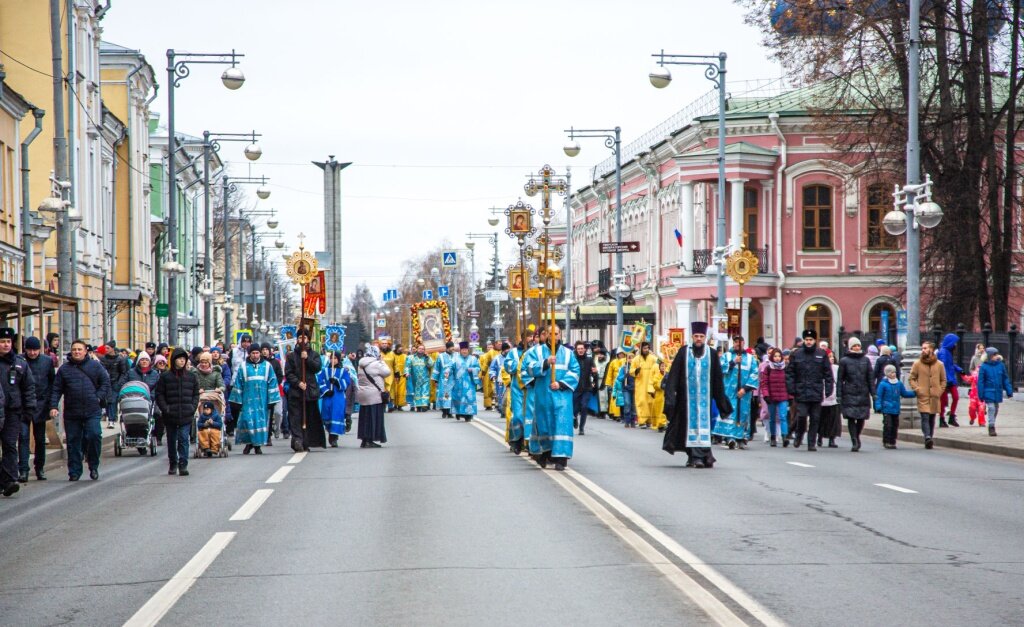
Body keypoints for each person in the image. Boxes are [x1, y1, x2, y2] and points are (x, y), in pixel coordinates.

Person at [662, 321, 733, 469]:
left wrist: (722, 403)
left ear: (705, 337)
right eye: (696, 336)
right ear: (692, 337)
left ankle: (701, 456)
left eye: (701, 336)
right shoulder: (683, 352)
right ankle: (695, 457)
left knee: (704, 428)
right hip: (686, 400)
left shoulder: (712, 354)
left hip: (706, 400)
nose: (699, 339)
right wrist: (670, 398)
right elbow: (674, 376)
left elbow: (718, 380)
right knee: (688, 428)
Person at [50, 339, 110, 482]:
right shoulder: (64, 369)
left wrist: (98, 397)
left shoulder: (95, 366)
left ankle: (93, 465)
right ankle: (75, 471)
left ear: (85, 351)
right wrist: (53, 406)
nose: (76, 352)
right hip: (72, 411)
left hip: (92, 410)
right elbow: (56, 389)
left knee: (94, 435)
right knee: (73, 442)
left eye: (79, 349)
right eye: (74, 349)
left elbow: (105, 383)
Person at [521, 326, 579, 471]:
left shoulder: (568, 353)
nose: (554, 336)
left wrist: (560, 383)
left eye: (557, 333)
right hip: (543, 395)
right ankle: (546, 453)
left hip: (562, 396)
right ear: (545, 335)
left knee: (562, 424)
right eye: (551, 333)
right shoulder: (536, 351)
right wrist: (545, 363)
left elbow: (575, 371)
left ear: (560, 335)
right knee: (544, 423)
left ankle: (561, 458)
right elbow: (528, 368)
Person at [785, 329, 835, 451]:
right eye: (806, 340)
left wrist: (829, 388)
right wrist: (791, 388)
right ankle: (799, 435)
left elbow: (828, 373)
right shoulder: (796, 354)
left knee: (815, 418)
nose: (808, 342)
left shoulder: (821, 354)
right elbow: (790, 373)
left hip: (816, 391)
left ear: (814, 340)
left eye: (810, 340)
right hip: (801, 391)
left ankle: (811, 443)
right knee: (801, 416)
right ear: (803, 340)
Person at [0, 328, 34, 495]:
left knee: (9, 445)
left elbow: (28, 387)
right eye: (2, 342)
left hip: (13, 411)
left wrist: (29, 409)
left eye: (7, 342)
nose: (5, 345)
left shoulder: (19, 363)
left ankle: (10, 480)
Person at [156, 348, 200, 476]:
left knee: (183, 439)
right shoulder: (165, 377)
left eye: (184, 359)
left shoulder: (191, 376)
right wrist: (166, 408)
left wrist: (192, 407)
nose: (182, 361)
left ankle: (183, 464)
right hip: (170, 414)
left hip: (186, 413)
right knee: (171, 440)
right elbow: (160, 394)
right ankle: (173, 463)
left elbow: (195, 394)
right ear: (174, 360)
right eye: (179, 358)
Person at [230, 343, 281, 454]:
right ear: (249, 354)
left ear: (260, 353)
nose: (255, 355)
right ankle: (249, 444)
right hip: (247, 399)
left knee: (260, 423)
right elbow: (238, 383)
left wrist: (272, 400)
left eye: (257, 352)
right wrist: (237, 401)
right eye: (253, 353)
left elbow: (273, 382)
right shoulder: (243, 366)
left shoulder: (267, 366)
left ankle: (257, 446)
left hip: (262, 400)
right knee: (247, 421)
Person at [714, 336, 759, 449]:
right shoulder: (727, 356)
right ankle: (730, 438)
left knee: (742, 413)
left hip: (744, 393)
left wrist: (745, 389)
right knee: (731, 413)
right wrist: (733, 362)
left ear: (744, 343)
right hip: (729, 392)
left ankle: (741, 437)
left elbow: (754, 374)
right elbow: (719, 369)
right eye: (735, 342)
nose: (738, 344)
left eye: (740, 342)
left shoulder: (750, 359)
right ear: (733, 343)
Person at [19, 337, 54, 482]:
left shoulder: (46, 361)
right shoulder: (20, 360)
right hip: (23, 405)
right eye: (29, 350)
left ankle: (39, 467)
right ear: (25, 349)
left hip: (41, 404)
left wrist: (50, 403)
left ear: (40, 349)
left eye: (35, 350)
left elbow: (52, 382)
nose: (32, 353)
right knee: (23, 438)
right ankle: (23, 470)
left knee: (40, 439)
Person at [285, 328, 324, 452]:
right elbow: (289, 373)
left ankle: (306, 441)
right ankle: (297, 440)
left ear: (308, 339)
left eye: (305, 338)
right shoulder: (291, 356)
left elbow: (317, 368)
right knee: (295, 417)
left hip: (309, 392)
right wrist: (298, 383)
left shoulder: (314, 354)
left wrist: (307, 359)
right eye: (300, 338)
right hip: (296, 393)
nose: (302, 340)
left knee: (308, 418)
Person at [836, 337, 873, 452]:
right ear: (850, 347)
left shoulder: (866, 360)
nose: (857, 348)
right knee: (851, 418)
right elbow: (840, 379)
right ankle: (854, 440)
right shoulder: (844, 361)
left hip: (863, 392)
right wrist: (839, 394)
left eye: (858, 345)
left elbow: (870, 378)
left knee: (861, 418)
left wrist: (874, 393)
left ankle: (857, 435)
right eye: (854, 346)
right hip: (849, 392)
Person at [909, 341, 945, 449]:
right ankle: (927, 437)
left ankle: (930, 437)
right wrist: (917, 389)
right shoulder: (917, 364)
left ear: (931, 349)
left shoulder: (939, 364)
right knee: (925, 416)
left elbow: (943, 380)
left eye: (925, 348)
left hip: (934, 395)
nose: (923, 350)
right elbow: (912, 378)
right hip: (923, 395)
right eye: (922, 348)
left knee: (932, 418)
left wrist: (939, 391)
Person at [356, 345, 391, 448]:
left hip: (363, 393)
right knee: (373, 417)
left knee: (364, 417)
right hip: (374, 395)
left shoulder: (361, 363)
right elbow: (387, 372)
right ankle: (369, 440)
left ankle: (364, 439)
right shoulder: (376, 364)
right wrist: (382, 361)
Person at [875, 364, 915, 448]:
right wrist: (878, 406)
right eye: (892, 372)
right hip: (887, 408)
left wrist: (915, 393)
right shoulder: (883, 384)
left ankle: (893, 441)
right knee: (888, 425)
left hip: (896, 408)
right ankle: (886, 441)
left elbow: (904, 393)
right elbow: (879, 396)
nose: (894, 374)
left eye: (895, 372)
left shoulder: (898, 383)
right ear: (887, 373)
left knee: (895, 425)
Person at [504, 333, 532, 454]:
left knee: (530, 418)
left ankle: (529, 443)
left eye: (532, 337)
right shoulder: (513, 352)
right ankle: (516, 440)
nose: (530, 339)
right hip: (517, 389)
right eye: (528, 336)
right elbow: (508, 366)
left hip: (531, 388)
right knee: (518, 416)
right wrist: (521, 363)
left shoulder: (535, 351)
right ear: (523, 338)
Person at [976, 346, 1013, 437]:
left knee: (996, 409)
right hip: (988, 391)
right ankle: (991, 426)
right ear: (989, 356)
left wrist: (1009, 391)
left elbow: (1005, 379)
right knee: (991, 408)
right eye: (994, 355)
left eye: (996, 354)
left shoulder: (1000, 365)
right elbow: (980, 382)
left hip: (997, 391)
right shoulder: (984, 367)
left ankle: (992, 422)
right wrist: (980, 394)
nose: (996, 356)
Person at [317, 351, 351, 447]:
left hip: (338, 397)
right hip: (328, 396)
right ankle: (329, 431)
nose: (333, 360)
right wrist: (326, 390)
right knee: (327, 415)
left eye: (335, 358)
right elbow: (320, 381)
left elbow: (347, 382)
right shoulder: (324, 370)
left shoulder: (343, 371)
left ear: (338, 359)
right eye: (331, 358)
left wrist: (337, 382)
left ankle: (334, 437)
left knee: (336, 415)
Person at [759, 348, 789, 447]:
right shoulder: (768, 368)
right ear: (772, 357)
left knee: (783, 416)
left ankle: (785, 437)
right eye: (775, 356)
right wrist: (766, 395)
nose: (777, 358)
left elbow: (789, 382)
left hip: (783, 396)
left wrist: (791, 396)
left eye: (779, 356)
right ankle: (773, 437)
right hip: (771, 397)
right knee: (772, 418)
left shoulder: (785, 368)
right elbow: (764, 383)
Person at [99, 340, 128, 429]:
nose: (106, 349)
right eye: (105, 348)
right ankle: (111, 416)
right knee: (107, 401)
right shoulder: (103, 359)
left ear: (112, 348)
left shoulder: (120, 359)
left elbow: (123, 372)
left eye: (108, 348)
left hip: (115, 383)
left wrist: (119, 383)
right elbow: (101, 371)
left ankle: (111, 420)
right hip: (106, 383)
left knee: (112, 401)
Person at [260, 343, 285, 445]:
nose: (265, 351)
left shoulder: (275, 362)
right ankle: (268, 435)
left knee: (278, 412)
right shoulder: (260, 363)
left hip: (275, 391)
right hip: (262, 391)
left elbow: (280, 375)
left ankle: (277, 428)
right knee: (267, 414)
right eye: (263, 349)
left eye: (266, 349)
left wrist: (274, 384)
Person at [936, 333, 962, 427]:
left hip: (950, 379)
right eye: (954, 343)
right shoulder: (943, 352)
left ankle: (951, 416)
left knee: (955, 397)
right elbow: (942, 365)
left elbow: (950, 365)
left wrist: (959, 370)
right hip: (945, 380)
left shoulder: (948, 352)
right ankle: (942, 418)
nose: (955, 345)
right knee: (944, 400)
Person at [631, 342, 659, 430]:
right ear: (641, 349)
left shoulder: (653, 358)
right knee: (641, 402)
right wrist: (636, 370)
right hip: (640, 384)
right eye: (644, 348)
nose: (646, 350)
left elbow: (659, 366)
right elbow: (631, 371)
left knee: (650, 402)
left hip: (650, 383)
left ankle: (649, 421)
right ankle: (642, 421)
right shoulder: (636, 359)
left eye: (647, 348)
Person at [450, 342, 480, 421]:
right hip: (458, 383)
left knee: (469, 398)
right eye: (463, 350)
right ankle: (459, 412)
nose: (464, 351)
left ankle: (468, 415)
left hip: (469, 383)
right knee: (458, 398)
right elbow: (450, 368)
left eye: (466, 350)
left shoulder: (473, 359)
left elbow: (478, 368)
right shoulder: (455, 359)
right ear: (460, 350)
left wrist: (473, 369)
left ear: (468, 350)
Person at [572, 341, 596, 435]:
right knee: (575, 409)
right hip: (576, 388)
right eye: (579, 349)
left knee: (584, 406)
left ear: (585, 349)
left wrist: (594, 375)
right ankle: (574, 418)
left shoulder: (589, 360)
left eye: (582, 349)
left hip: (587, 387)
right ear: (576, 350)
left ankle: (581, 428)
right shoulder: (573, 359)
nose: (580, 350)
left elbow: (594, 373)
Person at [818, 350, 841, 448]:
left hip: (834, 397)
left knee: (834, 420)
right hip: (822, 398)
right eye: (829, 356)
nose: (831, 358)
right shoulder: (819, 368)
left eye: (832, 356)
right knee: (821, 419)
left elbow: (840, 381)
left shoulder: (837, 368)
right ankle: (820, 437)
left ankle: (832, 438)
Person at [404, 345, 433, 412]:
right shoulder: (411, 357)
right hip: (415, 379)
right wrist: (407, 373)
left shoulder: (426, 357)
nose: (421, 350)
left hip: (425, 378)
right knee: (417, 392)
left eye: (423, 349)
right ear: (417, 349)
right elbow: (407, 366)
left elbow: (431, 365)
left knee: (425, 391)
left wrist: (427, 358)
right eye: (419, 348)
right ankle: (418, 406)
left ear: (424, 350)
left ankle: (424, 405)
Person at [432, 342, 457, 418]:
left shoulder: (456, 356)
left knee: (452, 396)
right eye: (451, 348)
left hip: (453, 380)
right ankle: (444, 411)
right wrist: (435, 380)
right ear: (447, 348)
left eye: (453, 348)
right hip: (444, 380)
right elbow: (437, 368)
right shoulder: (441, 356)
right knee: (445, 395)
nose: (453, 349)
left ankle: (450, 412)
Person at [603, 348, 626, 421]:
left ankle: (623, 414)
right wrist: (608, 383)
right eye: (620, 354)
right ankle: (616, 414)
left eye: (622, 353)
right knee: (615, 399)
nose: (621, 355)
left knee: (623, 399)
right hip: (615, 383)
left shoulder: (626, 361)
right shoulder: (613, 362)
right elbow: (609, 374)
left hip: (624, 382)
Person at [616, 352, 637, 428]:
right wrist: (625, 376)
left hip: (635, 388)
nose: (631, 359)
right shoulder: (624, 368)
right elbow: (619, 378)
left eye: (632, 357)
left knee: (633, 405)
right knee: (627, 403)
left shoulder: (636, 368)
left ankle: (633, 421)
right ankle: (627, 420)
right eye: (629, 357)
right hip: (626, 388)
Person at [479, 340, 499, 411]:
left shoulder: (499, 353)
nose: (490, 348)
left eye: (491, 347)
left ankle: (497, 403)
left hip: (496, 372)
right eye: (488, 347)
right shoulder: (483, 356)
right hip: (487, 373)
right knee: (487, 389)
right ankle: (488, 404)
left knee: (496, 388)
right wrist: (482, 374)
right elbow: (482, 365)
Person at [593, 348, 610, 419]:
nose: (599, 356)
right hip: (597, 379)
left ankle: (604, 411)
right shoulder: (596, 361)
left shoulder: (607, 362)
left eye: (601, 355)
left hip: (605, 380)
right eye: (598, 354)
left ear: (605, 356)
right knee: (599, 397)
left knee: (605, 396)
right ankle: (600, 411)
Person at [390, 345, 408, 411]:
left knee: (401, 390)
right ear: (397, 348)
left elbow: (407, 365)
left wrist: (406, 373)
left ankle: (400, 405)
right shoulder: (392, 355)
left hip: (402, 375)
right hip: (394, 376)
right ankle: (394, 404)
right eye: (399, 348)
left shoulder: (405, 356)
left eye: (401, 348)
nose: (401, 349)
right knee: (394, 390)